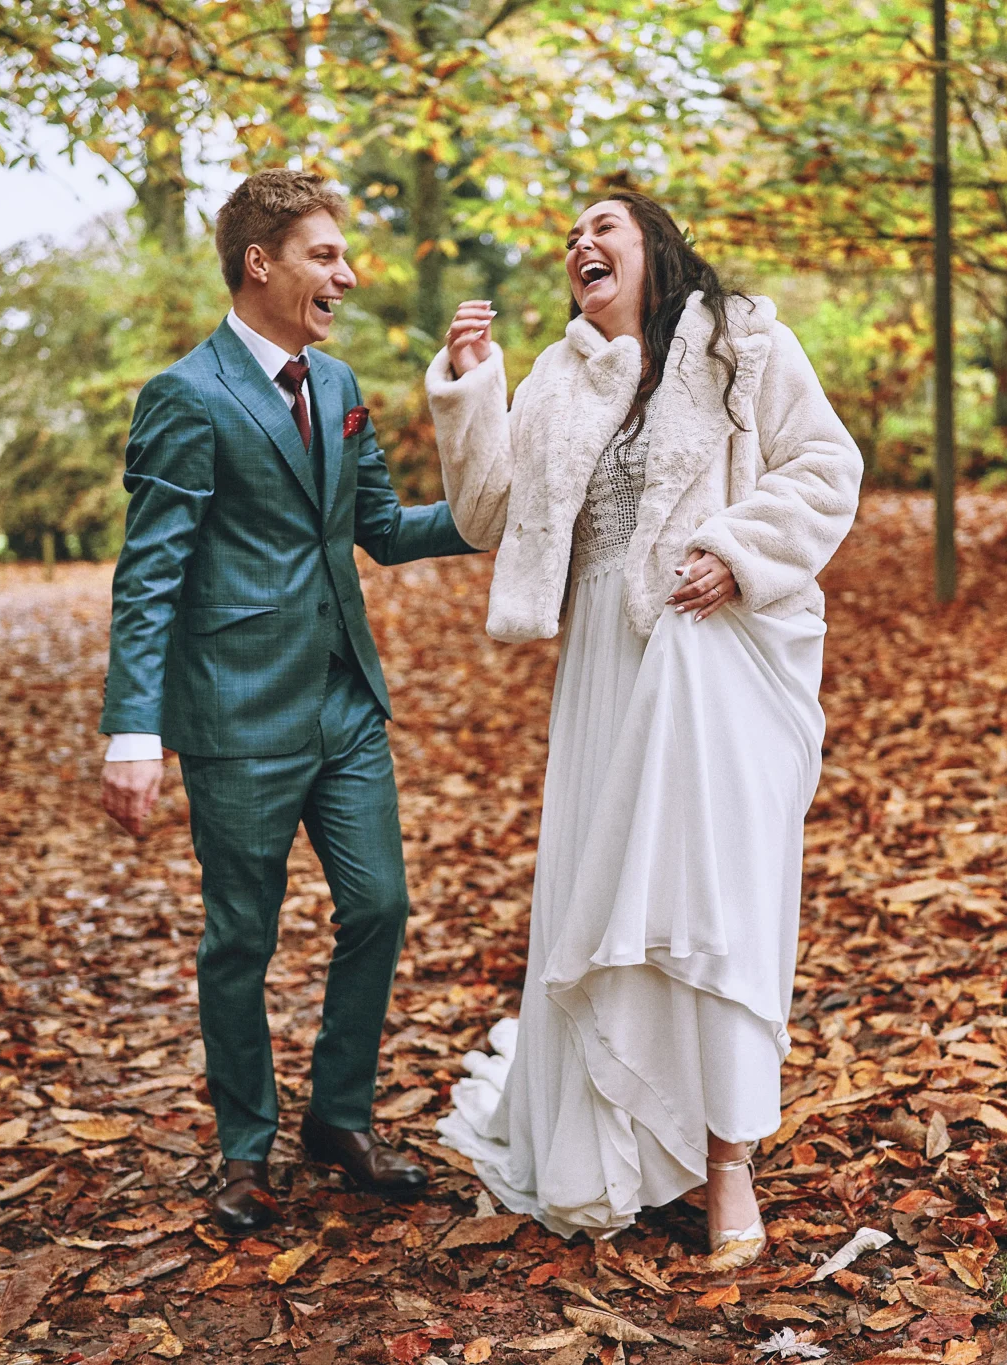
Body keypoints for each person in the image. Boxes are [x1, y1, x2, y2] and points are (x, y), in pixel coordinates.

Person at [424, 191, 862, 1267]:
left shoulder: (741, 342)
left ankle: (724, 1165)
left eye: (602, 226)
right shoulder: (559, 379)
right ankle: (610, 1139)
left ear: (654, 249)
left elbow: (823, 467)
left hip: (713, 656)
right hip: (604, 676)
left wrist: (738, 547)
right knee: (603, 893)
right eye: (569, 236)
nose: (580, 243)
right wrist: (471, 388)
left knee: (709, 899)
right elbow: (487, 511)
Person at [98, 168, 480, 1235]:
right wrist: (135, 729)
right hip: (237, 718)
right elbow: (150, 573)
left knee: (379, 907)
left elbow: (381, 528)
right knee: (240, 939)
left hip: (343, 705)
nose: (345, 276)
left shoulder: (341, 381)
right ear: (258, 263)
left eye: (343, 257)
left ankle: (339, 1118)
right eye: (324, 255)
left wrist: (500, 511)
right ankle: (243, 1145)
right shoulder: (185, 397)